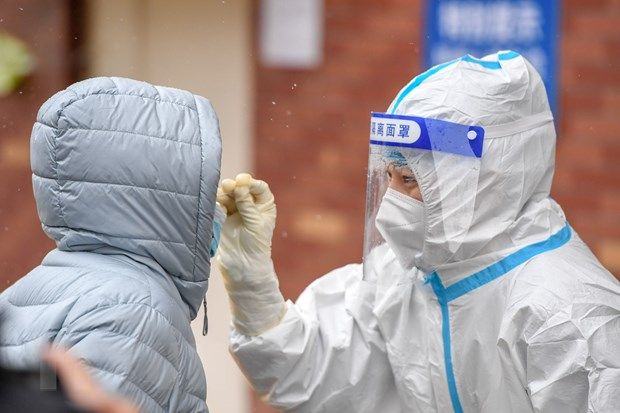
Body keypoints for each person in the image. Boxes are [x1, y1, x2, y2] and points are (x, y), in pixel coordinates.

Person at [216, 51, 620, 412]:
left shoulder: (566, 314)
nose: (392, 202)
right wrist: (252, 284)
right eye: (389, 176)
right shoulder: (408, 277)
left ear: (485, 179)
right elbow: (311, 378)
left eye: (410, 179)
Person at [0, 77, 224, 412]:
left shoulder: (42, 287)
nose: (214, 208)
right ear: (163, 195)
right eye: (206, 191)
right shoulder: (134, 311)